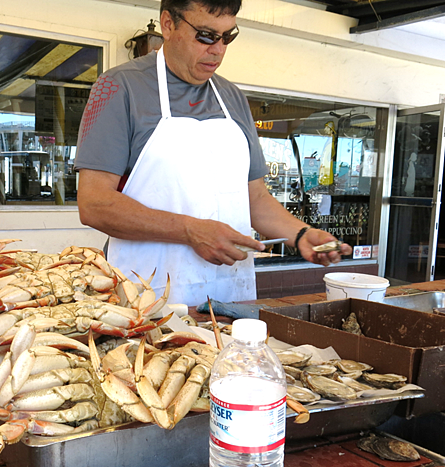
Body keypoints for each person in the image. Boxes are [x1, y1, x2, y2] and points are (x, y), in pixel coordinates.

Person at [75, 0, 352, 306]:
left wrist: (300, 234)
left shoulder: (232, 97)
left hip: (229, 296)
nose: (218, 50)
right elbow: (94, 204)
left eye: (227, 36)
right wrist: (190, 230)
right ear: (168, 24)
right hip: (144, 297)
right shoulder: (119, 87)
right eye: (205, 35)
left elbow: (255, 198)